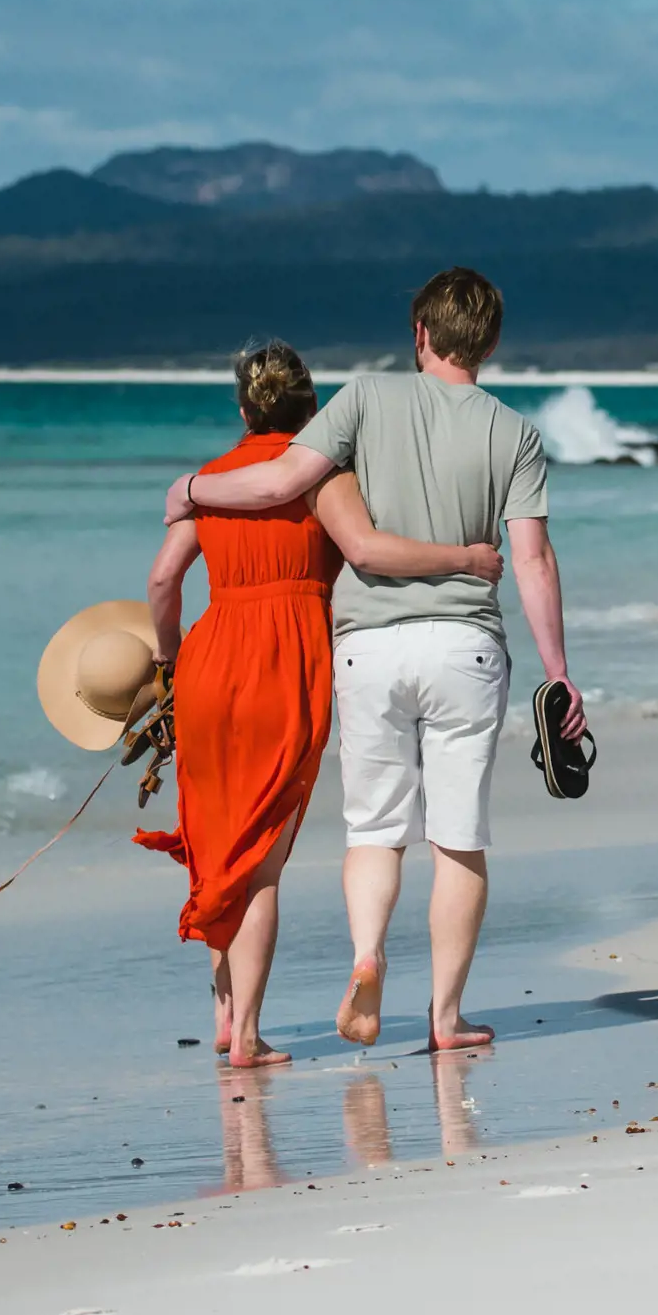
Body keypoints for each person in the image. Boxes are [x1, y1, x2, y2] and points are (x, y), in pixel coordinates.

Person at [165, 267, 578, 1055]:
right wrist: (558, 673)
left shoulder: (362, 398)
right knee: (457, 836)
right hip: (464, 645)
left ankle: (365, 953)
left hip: (367, 645)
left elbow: (281, 478)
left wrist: (192, 488)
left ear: (418, 334)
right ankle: (445, 1017)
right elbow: (531, 562)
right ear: (488, 344)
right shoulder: (514, 432)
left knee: (374, 830)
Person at [138, 339, 500, 1069]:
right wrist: (463, 558)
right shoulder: (323, 475)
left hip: (211, 658)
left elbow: (161, 581)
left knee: (217, 842)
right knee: (260, 856)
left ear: (242, 406)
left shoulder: (207, 482)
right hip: (288, 661)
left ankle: (224, 1014)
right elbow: (368, 552)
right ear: (314, 409)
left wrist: (170, 658)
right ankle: (245, 1039)